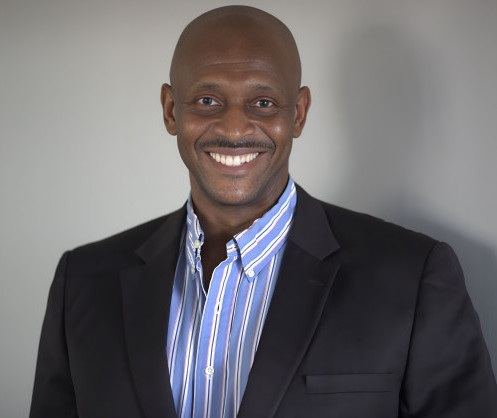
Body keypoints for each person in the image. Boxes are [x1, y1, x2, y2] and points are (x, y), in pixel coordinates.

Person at [30, 5, 497, 418]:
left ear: (298, 113)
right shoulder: (83, 281)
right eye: (208, 100)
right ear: (171, 110)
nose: (235, 128)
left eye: (263, 102)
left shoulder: (413, 277)